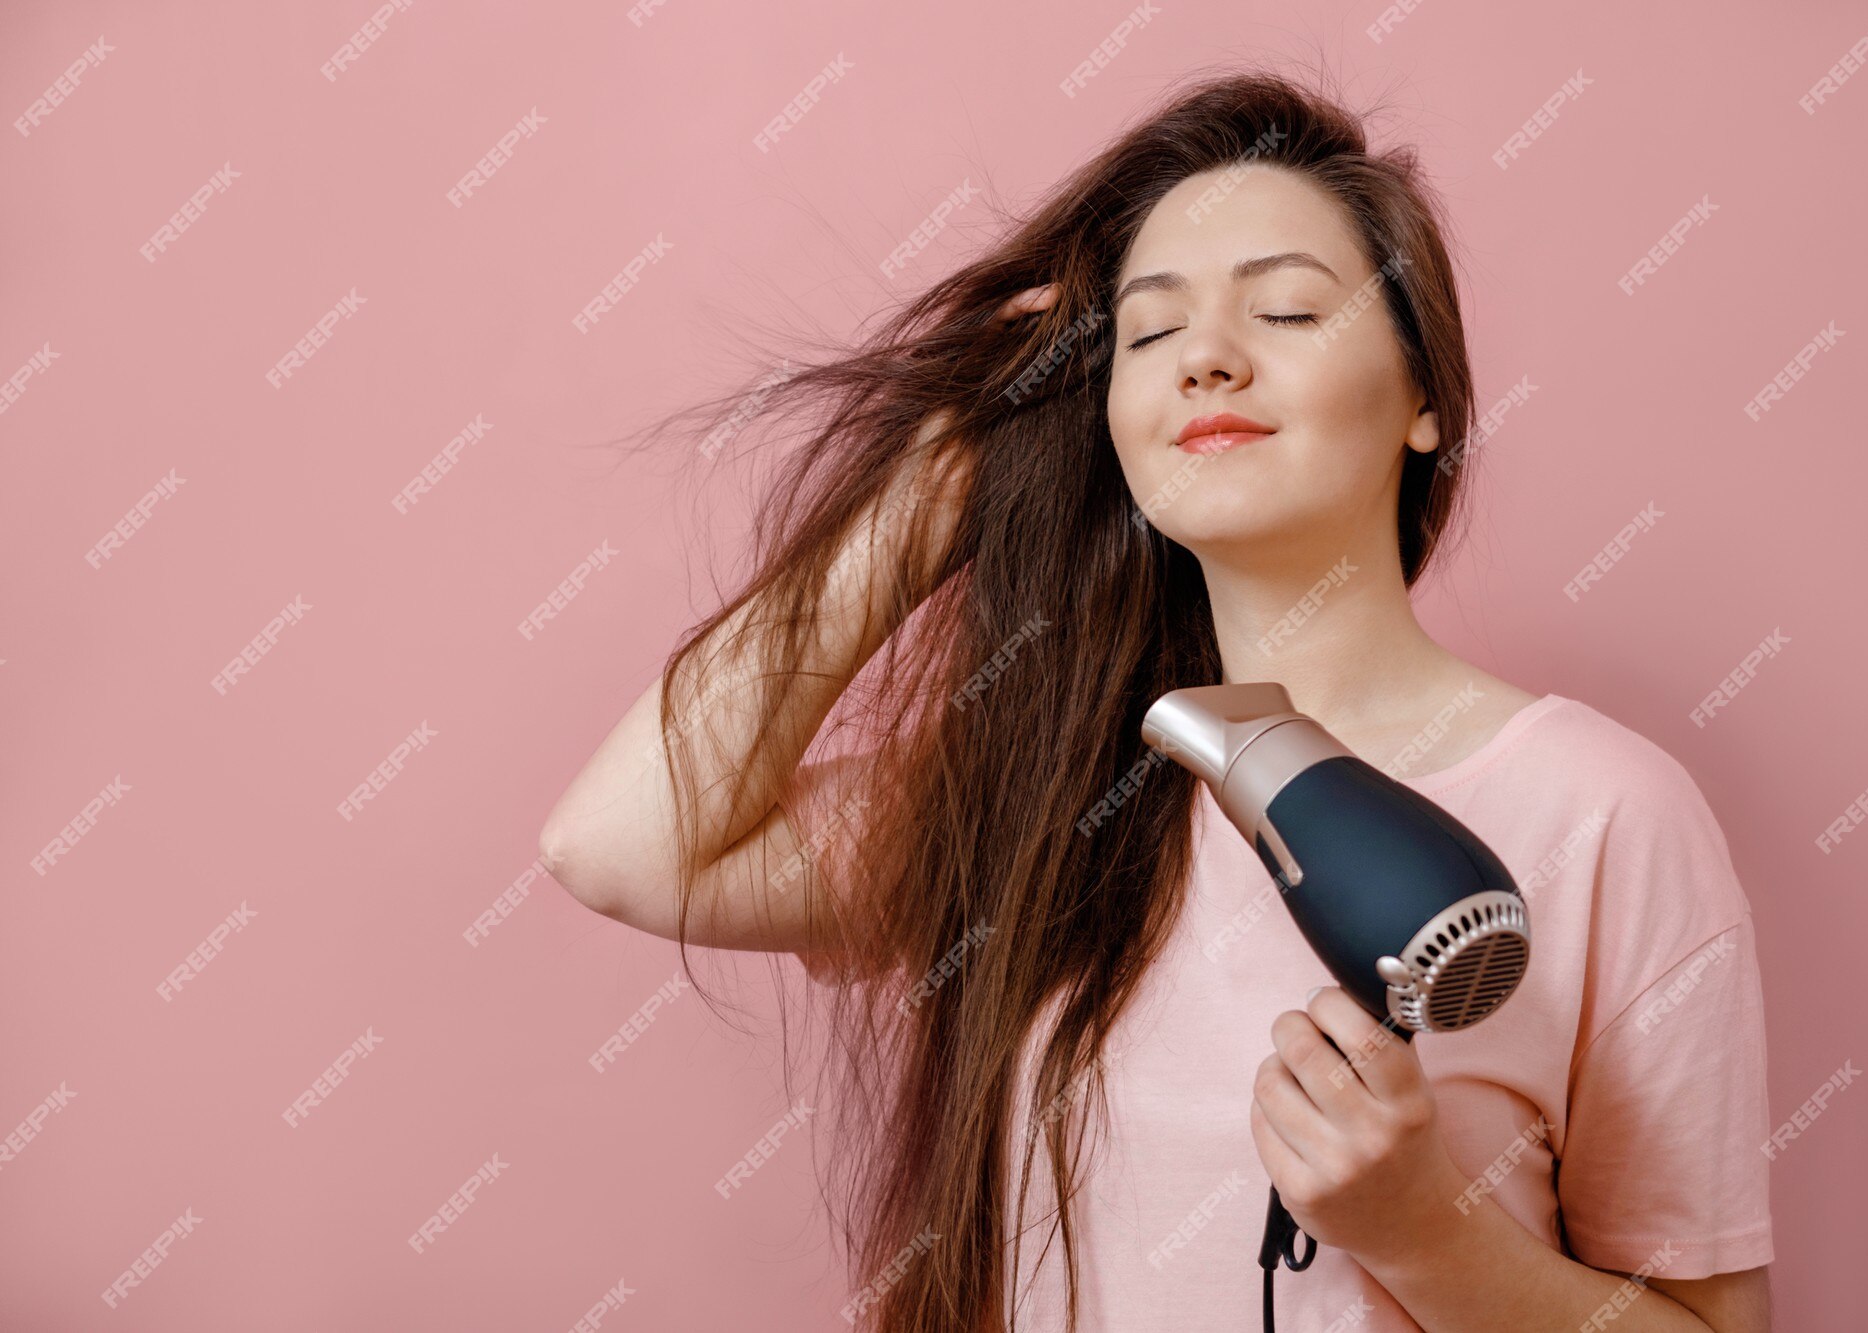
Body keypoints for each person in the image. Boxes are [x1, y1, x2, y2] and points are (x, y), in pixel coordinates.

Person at [540, 69, 1774, 1333]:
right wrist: (931, 489)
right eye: (1148, 333)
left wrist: (1422, 1231)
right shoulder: (1032, 788)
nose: (1208, 361)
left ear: (1420, 398)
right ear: (1110, 420)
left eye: (1287, 310)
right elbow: (618, 847)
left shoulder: (1606, 816)